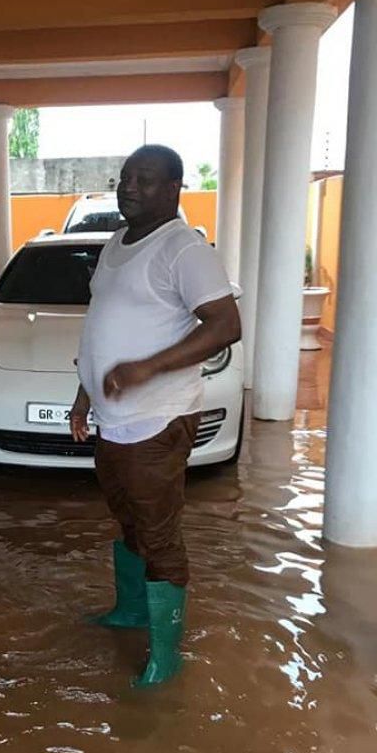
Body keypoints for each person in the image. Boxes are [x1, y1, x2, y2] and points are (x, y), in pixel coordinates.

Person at [70, 145, 241, 688]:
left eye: (146, 180)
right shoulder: (117, 243)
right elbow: (101, 325)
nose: (130, 187)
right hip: (113, 418)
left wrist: (149, 368)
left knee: (160, 533)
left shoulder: (183, 249)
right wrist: (84, 394)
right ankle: (132, 611)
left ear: (174, 189)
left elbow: (224, 325)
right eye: (125, 177)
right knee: (128, 518)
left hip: (158, 418)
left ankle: (166, 657)